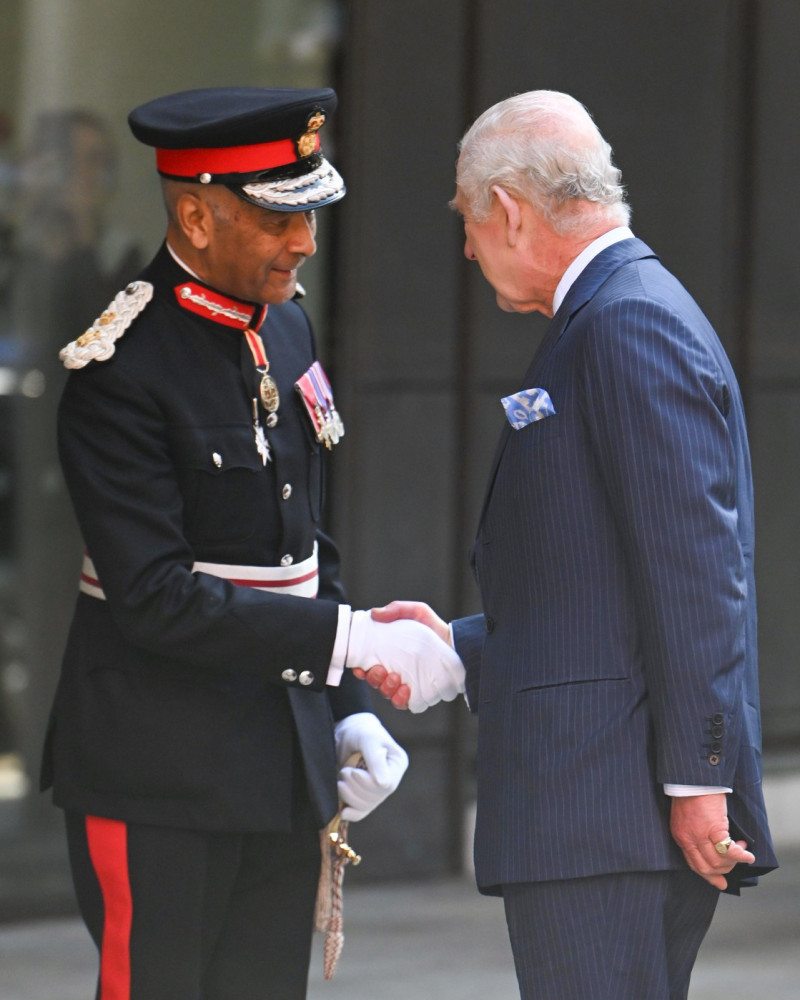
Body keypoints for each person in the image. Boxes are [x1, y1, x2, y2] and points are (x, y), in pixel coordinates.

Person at [40, 86, 462, 1000]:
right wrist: (349, 643)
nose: (305, 242)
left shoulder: (287, 326)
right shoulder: (121, 371)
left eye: (310, 213)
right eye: (280, 219)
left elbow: (302, 543)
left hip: (277, 761)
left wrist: (344, 704)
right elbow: (154, 595)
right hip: (156, 773)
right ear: (194, 213)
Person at [361, 90, 778, 999]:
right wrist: (462, 646)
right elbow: (599, 582)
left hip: (612, 810)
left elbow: (697, 571)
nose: (469, 249)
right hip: (606, 808)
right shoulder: (615, 311)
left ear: (507, 209)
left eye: (470, 223)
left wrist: (699, 780)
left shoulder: (626, 320)